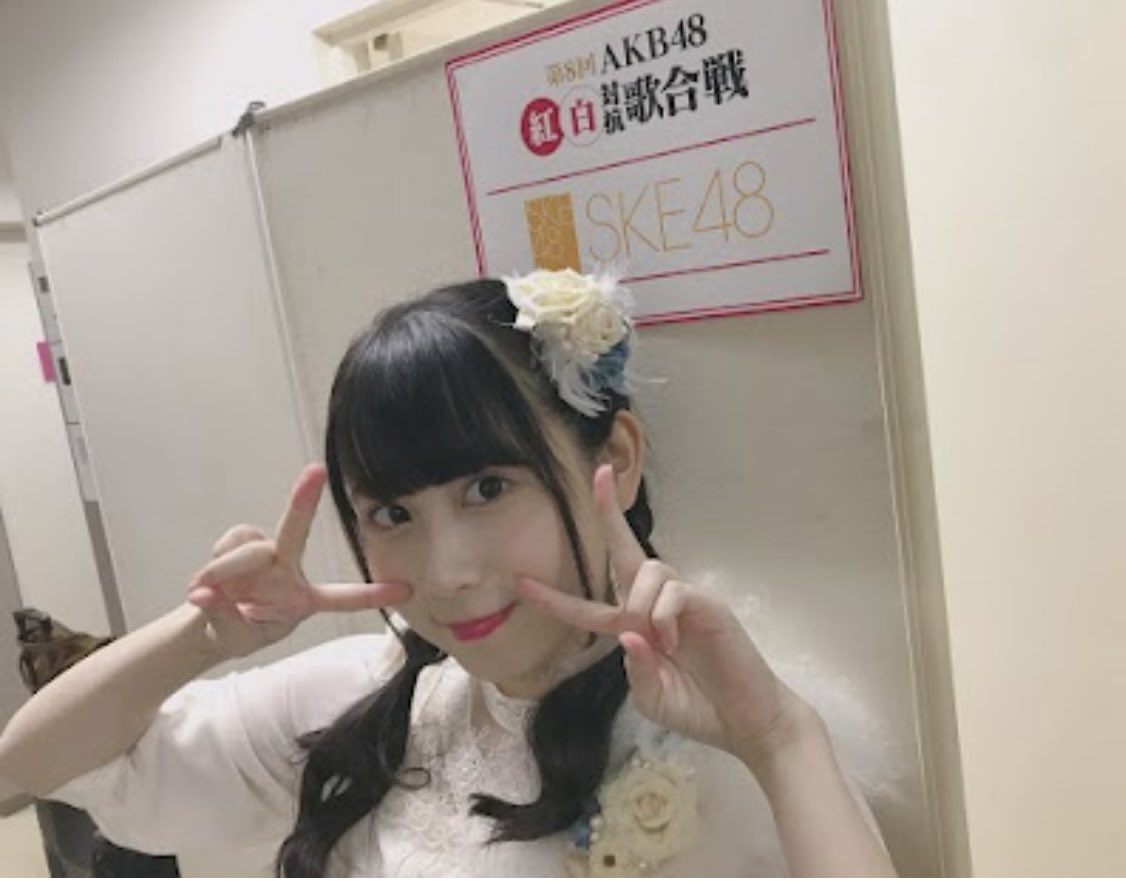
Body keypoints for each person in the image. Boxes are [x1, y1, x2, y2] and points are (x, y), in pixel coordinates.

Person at [0, 270, 895, 877]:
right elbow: (31, 761)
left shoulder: (710, 735)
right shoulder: (377, 694)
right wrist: (202, 635)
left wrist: (779, 736)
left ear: (614, 460)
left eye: (488, 488)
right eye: (392, 514)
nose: (447, 571)